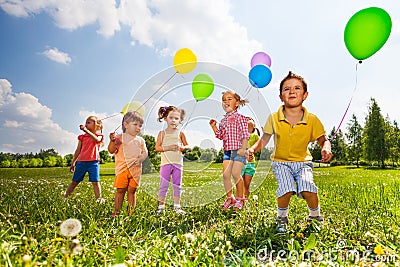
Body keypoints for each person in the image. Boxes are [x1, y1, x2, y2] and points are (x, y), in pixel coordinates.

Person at [247, 71, 332, 232]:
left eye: (297, 88)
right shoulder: (273, 118)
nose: (292, 91)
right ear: (280, 97)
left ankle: (315, 217)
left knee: (308, 187)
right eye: (287, 89)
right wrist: (252, 148)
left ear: (305, 95)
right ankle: (282, 218)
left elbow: (323, 139)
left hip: (303, 163)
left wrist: (326, 147)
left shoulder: (312, 119)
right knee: (286, 189)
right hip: (281, 163)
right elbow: (264, 138)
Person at [209, 90, 250, 211]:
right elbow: (220, 135)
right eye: (223, 100)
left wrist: (243, 148)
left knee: (236, 173)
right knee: (226, 175)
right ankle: (229, 197)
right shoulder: (223, 121)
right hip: (227, 151)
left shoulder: (241, 118)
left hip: (239, 150)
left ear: (237, 103)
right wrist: (214, 127)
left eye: (229, 99)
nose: (225, 102)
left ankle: (240, 199)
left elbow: (245, 134)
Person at [108, 111, 148, 217]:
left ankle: (131, 213)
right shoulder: (119, 138)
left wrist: (141, 159)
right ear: (125, 125)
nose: (138, 128)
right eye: (135, 124)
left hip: (136, 170)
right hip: (122, 169)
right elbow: (111, 150)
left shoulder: (140, 140)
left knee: (132, 190)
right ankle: (116, 211)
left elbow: (145, 152)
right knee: (120, 190)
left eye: (140, 125)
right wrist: (112, 141)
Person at [155, 106, 190, 215]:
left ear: (180, 120)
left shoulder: (180, 133)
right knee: (163, 185)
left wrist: (183, 148)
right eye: (171, 118)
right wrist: (169, 147)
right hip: (165, 163)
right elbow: (157, 148)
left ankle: (177, 207)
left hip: (178, 163)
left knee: (177, 185)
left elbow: (187, 145)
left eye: (176, 118)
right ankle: (161, 207)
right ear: (165, 118)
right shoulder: (162, 133)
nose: (173, 121)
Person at [64, 115, 105, 201]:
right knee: (75, 182)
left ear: (96, 125)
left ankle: (99, 199)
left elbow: (96, 140)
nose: (86, 124)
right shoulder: (82, 137)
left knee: (95, 182)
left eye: (88, 122)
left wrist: (86, 130)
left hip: (93, 163)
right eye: (86, 122)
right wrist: (73, 162)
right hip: (81, 162)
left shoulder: (99, 136)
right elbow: (78, 150)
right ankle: (65, 197)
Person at [241, 116, 260, 200]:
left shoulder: (255, 136)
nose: (248, 120)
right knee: (240, 184)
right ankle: (240, 200)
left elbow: (260, 144)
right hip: (240, 163)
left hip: (250, 163)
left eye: (250, 119)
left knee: (247, 184)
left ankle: (246, 199)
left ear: (254, 126)